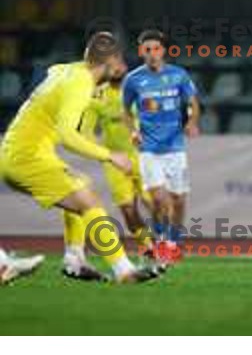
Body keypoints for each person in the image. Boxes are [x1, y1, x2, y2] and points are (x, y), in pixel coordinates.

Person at [0, 31, 159, 283]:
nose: (122, 67)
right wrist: (110, 156)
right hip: (26, 156)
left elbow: (54, 71)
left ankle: (75, 260)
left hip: (16, 153)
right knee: (88, 199)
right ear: (109, 62)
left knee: (80, 186)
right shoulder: (80, 82)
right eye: (119, 61)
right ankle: (124, 270)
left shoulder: (67, 71)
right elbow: (67, 135)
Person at [123, 30, 200, 255]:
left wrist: (192, 122)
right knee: (158, 199)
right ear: (141, 52)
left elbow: (193, 103)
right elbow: (126, 111)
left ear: (163, 51)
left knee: (178, 200)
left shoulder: (179, 75)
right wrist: (133, 131)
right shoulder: (133, 79)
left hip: (175, 148)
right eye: (147, 50)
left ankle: (173, 242)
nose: (152, 54)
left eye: (156, 49)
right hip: (149, 149)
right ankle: (161, 240)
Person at [80, 57, 155, 257]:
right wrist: (104, 154)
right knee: (128, 209)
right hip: (115, 161)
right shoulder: (97, 96)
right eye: (110, 66)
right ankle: (148, 245)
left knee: (153, 204)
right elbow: (86, 131)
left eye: (118, 65)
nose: (115, 69)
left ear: (126, 67)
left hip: (143, 155)